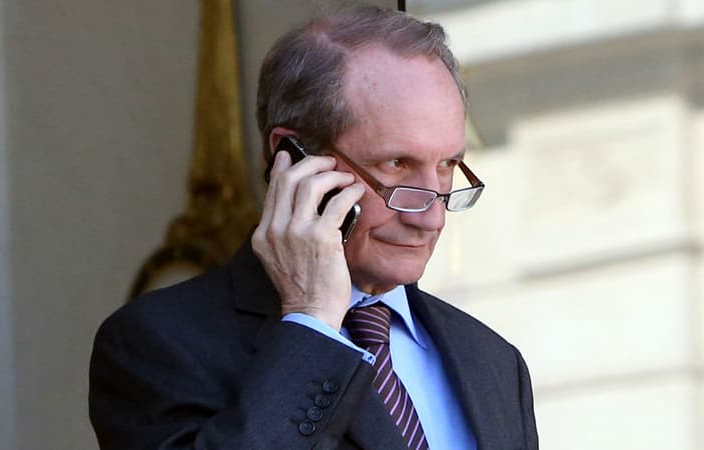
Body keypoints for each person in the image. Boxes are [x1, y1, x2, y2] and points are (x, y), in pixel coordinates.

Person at [89, 5, 538, 450]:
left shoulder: (494, 363)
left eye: (446, 166)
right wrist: (313, 321)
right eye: (396, 164)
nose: (431, 216)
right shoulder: (154, 345)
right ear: (293, 156)